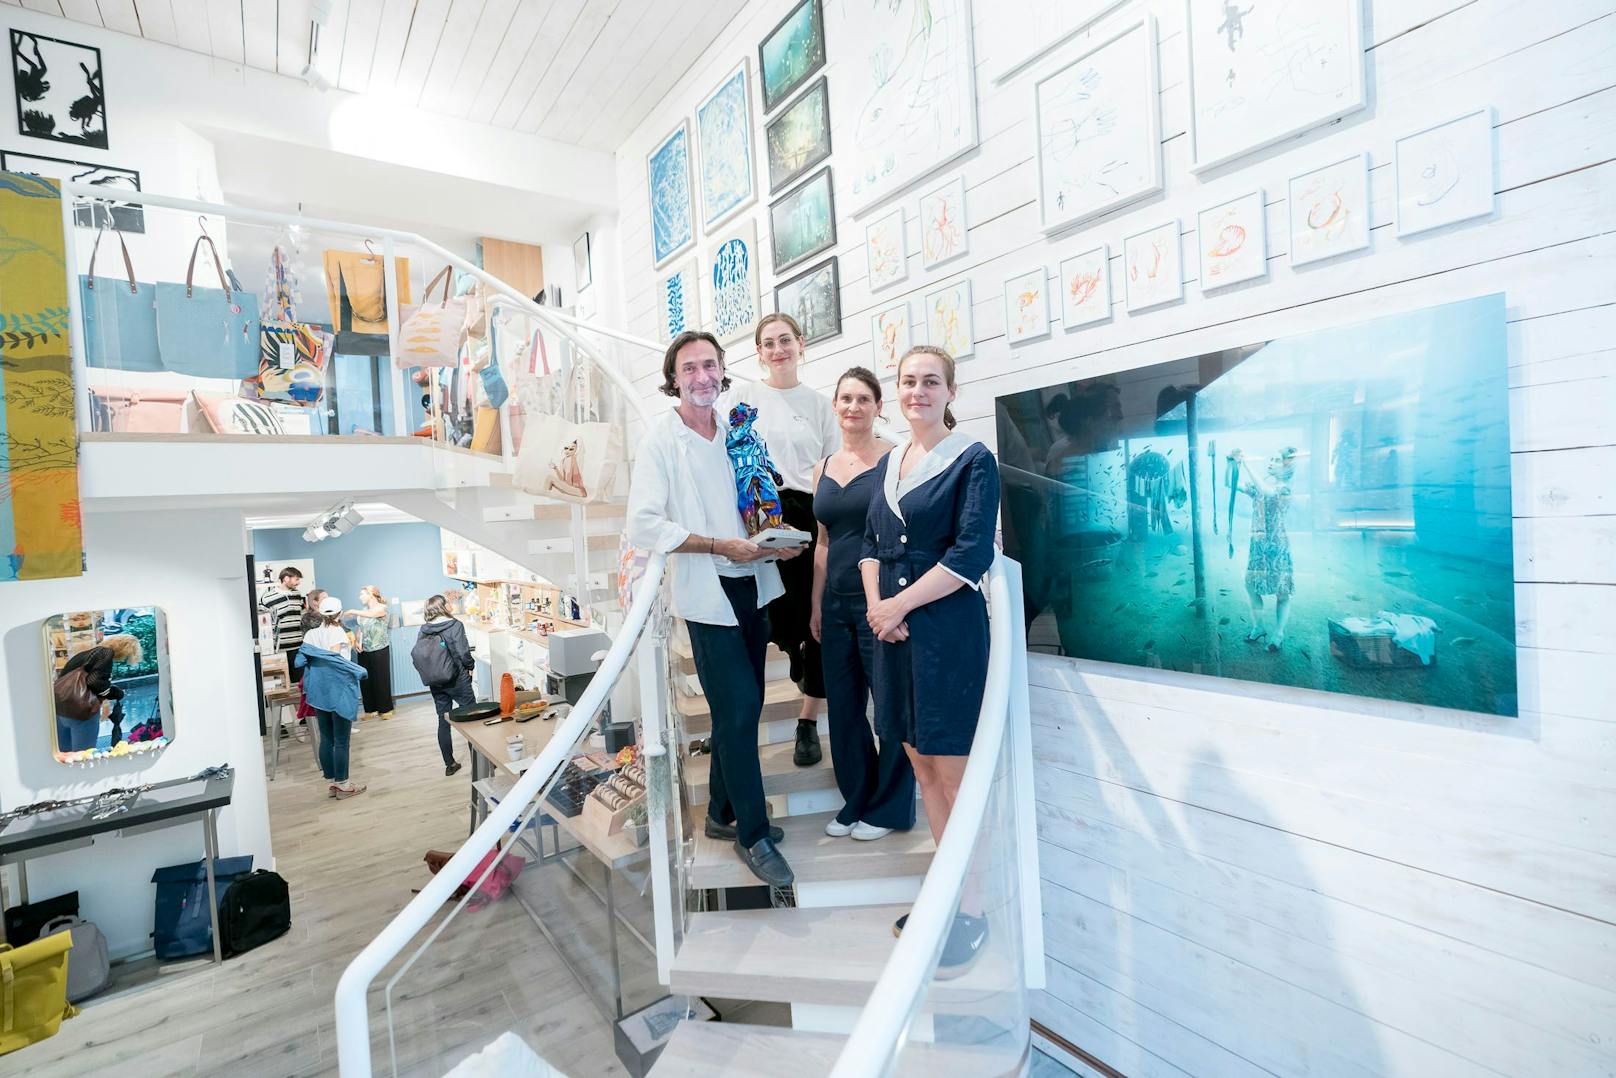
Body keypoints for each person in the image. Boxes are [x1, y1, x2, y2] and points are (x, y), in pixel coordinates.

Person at [628, 329, 805, 889]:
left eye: (710, 366)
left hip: (752, 582)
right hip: (709, 594)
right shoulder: (661, 439)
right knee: (739, 708)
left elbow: (756, 498)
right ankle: (753, 833)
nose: (701, 377)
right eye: (689, 369)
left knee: (742, 711)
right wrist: (716, 544)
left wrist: (778, 538)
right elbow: (645, 525)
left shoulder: (736, 428)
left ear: (723, 370)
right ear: (674, 378)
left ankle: (719, 814)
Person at [861, 346, 999, 973]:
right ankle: (945, 897)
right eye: (909, 382)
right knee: (920, 768)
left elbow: (971, 556)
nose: (919, 391)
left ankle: (971, 909)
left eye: (931, 382)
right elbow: (869, 544)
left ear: (950, 391)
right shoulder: (891, 463)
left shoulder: (973, 460)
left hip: (945, 635)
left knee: (955, 777)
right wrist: (877, 608)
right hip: (895, 637)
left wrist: (898, 607)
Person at [728, 313, 840, 767]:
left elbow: (834, 467)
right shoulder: (743, 397)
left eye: (785, 340)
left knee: (817, 621)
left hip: (809, 516)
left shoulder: (819, 405)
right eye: (768, 343)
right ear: (758, 352)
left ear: (801, 344)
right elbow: (729, 455)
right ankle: (736, 725)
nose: (778, 349)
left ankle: (807, 721)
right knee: (763, 619)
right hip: (759, 514)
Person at [810, 368, 916, 841]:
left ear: (878, 407)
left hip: (881, 602)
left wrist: (897, 603)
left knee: (889, 705)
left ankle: (890, 807)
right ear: (835, 406)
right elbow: (823, 543)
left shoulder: (897, 460)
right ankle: (856, 798)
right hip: (834, 605)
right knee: (845, 708)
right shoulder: (823, 466)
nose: (853, 407)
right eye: (845, 398)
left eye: (863, 399)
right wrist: (815, 604)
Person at [297, 596, 368, 799]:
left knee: (326, 738)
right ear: (339, 613)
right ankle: (343, 784)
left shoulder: (310, 634)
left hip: (318, 689)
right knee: (341, 739)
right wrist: (359, 671)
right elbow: (335, 661)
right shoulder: (337, 631)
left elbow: (306, 659)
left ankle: (333, 782)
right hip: (338, 688)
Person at [1234, 447, 1297, 651]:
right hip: (1259, 546)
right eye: (1270, 458)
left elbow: (1267, 491)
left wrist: (1246, 463)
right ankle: (1259, 626)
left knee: (1282, 592)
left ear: (1285, 465)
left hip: (1277, 546)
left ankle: (1278, 634)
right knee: (1250, 585)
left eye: (1276, 460)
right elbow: (1231, 483)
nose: (1270, 462)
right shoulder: (1261, 486)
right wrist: (1231, 464)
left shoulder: (1284, 488)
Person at [417, 594, 474, 777]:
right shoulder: (455, 625)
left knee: (443, 720)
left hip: (436, 680)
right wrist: (470, 667)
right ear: (443, 606)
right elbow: (463, 651)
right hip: (457, 678)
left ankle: (449, 764)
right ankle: (479, 759)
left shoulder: (424, 629)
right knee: (471, 718)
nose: (451, 604)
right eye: (448, 602)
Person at [54, 634, 142, 753]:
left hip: (61, 710)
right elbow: (94, 681)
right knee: (84, 755)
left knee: (66, 755)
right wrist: (114, 692)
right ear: (124, 649)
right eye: (127, 656)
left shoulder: (84, 655)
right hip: (82, 712)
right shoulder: (105, 653)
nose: (123, 660)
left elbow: (65, 679)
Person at [348, 586, 395, 719]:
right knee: (365, 680)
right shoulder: (363, 611)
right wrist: (357, 642)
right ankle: (370, 710)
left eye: (362, 594)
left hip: (380, 648)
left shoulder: (382, 608)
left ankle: (385, 710)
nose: (359, 597)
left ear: (371, 594)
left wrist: (352, 611)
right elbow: (361, 628)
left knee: (381, 679)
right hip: (364, 649)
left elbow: (373, 614)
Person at [259, 567, 306, 682]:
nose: (298, 582)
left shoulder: (297, 594)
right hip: (280, 647)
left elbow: (302, 615)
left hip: (298, 645)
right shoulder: (267, 597)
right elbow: (263, 621)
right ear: (286, 579)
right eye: (296, 579)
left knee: (299, 681)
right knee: (283, 681)